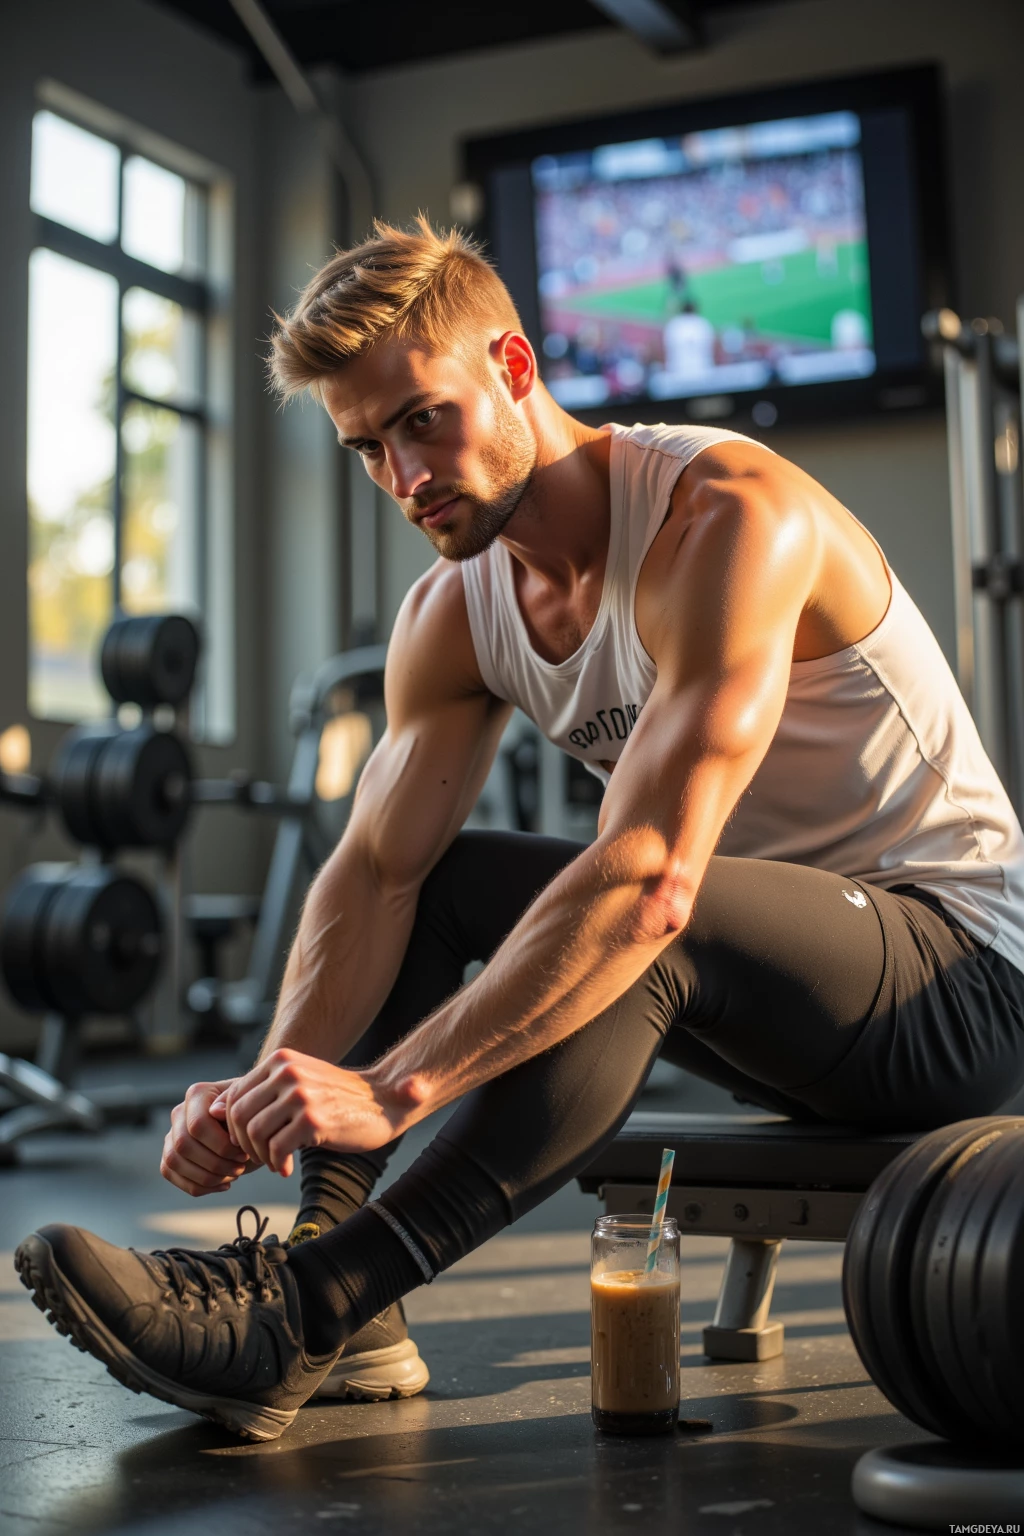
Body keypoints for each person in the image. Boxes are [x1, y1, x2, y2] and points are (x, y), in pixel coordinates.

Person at [17, 218, 1024, 1442]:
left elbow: (651, 883)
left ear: (511, 365)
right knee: (444, 872)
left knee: (643, 905)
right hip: (780, 1002)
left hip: (962, 989)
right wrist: (264, 1089)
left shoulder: (726, 516)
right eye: (366, 449)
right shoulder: (456, 607)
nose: (403, 476)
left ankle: (305, 1311)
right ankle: (337, 1308)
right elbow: (377, 871)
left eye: (421, 421)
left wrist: (396, 1088)